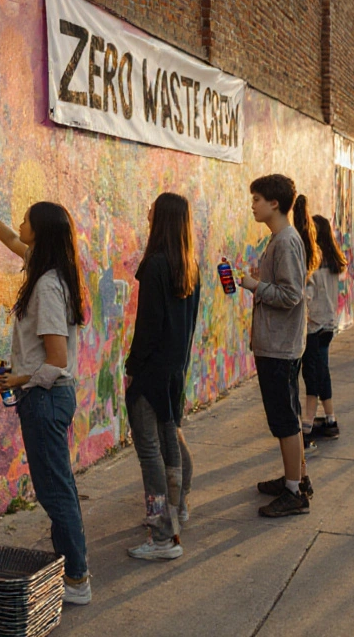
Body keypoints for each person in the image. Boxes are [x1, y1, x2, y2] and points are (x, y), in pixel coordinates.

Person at [0, 178, 93, 605]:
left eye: (28, 219)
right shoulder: (44, 266)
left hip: (46, 399)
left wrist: (19, 379)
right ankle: (70, 568)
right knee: (58, 486)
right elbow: (10, 238)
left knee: (55, 491)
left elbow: (56, 360)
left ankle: (76, 578)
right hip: (46, 400)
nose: (21, 223)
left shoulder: (49, 286)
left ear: (43, 232)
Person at [123, 193, 201, 560]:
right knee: (169, 443)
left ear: (163, 217)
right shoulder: (190, 265)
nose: (147, 210)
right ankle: (176, 510)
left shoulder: (154, 265)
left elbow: (148, 328)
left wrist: (132, 367)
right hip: (173, 372)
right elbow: (188, 328)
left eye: (152, 206)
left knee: (150, 452)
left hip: (152, 372)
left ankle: (162, 536)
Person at [238, 175, 315, 518]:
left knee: (284, 420)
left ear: (274, 203)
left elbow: (291, 295)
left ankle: (294, 492)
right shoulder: (281, 239)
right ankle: (296, 478)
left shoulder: (285, 241)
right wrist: (262, 280)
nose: (252, 205)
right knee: (290, 416)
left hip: (279, 346)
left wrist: (255, 285)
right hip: (281, 343)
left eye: (256, 199)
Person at [300, 213, 346, 450]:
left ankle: (306, 426)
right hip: (328, 323)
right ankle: (330, 419)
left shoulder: (313, 263)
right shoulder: (333, 260)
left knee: (312, 375)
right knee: (322, 371)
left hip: (313, 325)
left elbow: (306, 296)